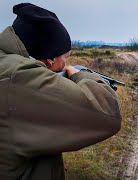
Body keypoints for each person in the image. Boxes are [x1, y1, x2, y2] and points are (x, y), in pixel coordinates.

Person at [0, 3, 122, 180]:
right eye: (65, 57)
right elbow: (108, 113)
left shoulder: (7, 64)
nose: (66, 64)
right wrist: (82, 76)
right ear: (49, 60)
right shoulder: (20, 76)